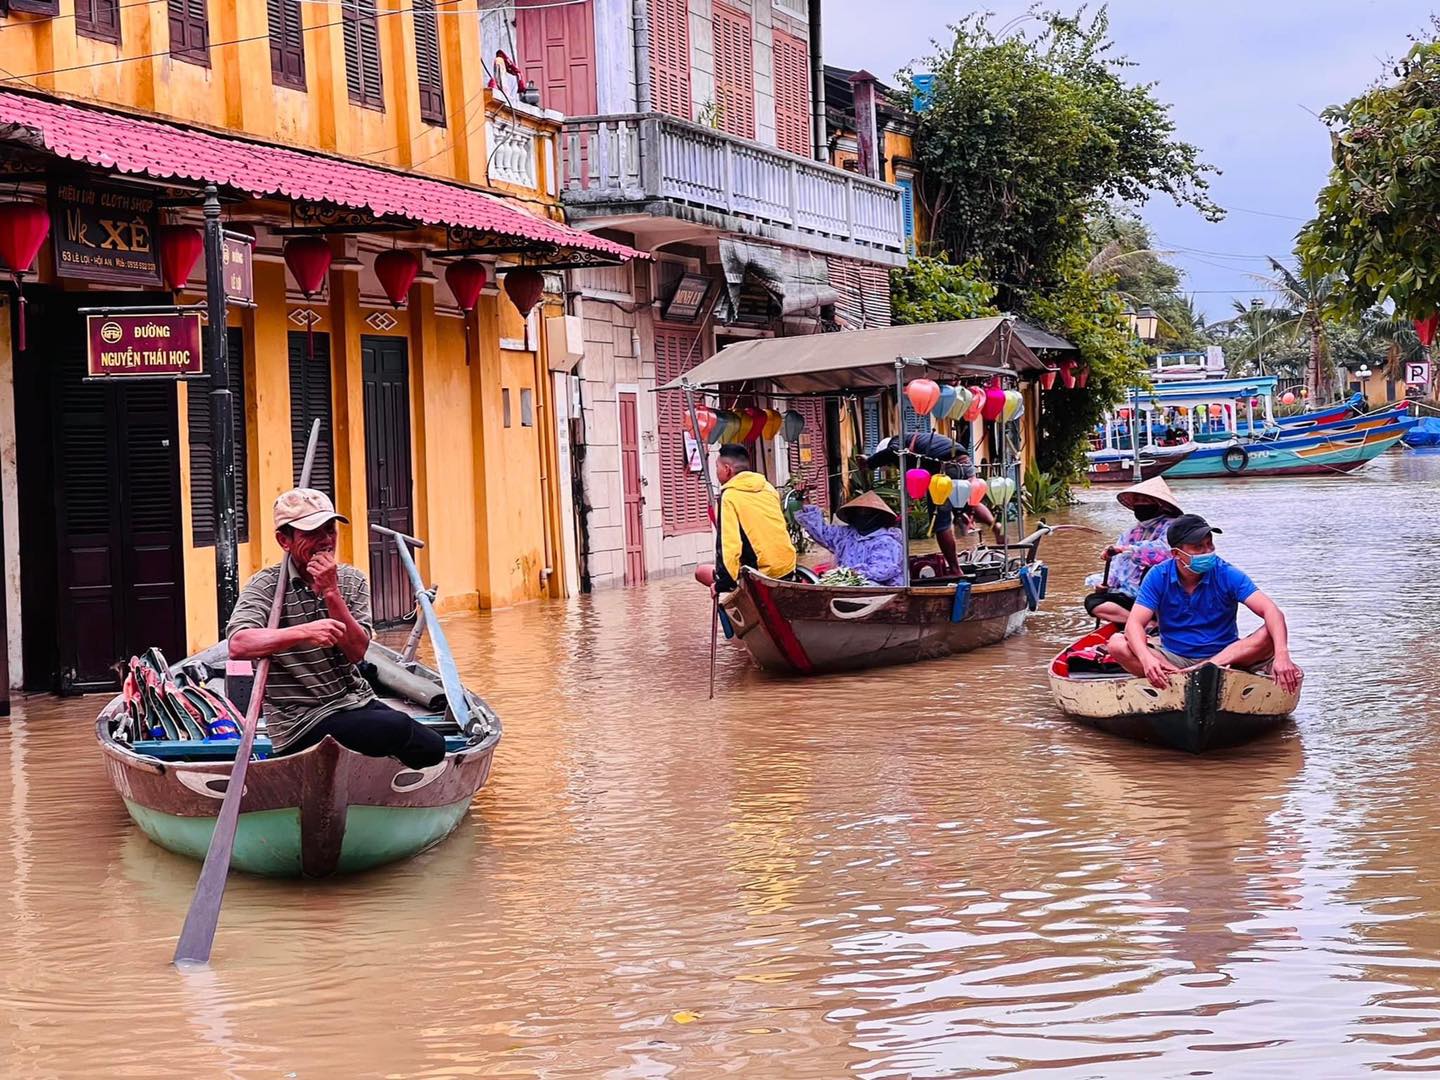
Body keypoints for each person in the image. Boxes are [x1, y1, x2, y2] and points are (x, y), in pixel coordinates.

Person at [227, 488, 447, 769]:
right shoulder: (267, 586)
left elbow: (358, 652)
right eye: (312, 533)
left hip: (355, 702)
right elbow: (238, 645)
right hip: (302, 721)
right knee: (397, 728)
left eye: (330, 531)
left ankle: (370, 766)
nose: (325, 541)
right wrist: (303, 632)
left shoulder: (351, 580)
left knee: (433, 747)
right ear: (284, 540)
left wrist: (331, 592)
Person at [1106, 514, 1303, 694]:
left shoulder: (1226, 573)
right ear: (1175, 554)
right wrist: (1146, 658)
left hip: (1227, 656)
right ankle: (1180, 675)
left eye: (1210, 545)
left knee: (1271, 632)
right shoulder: (1158, 576)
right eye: (1198, 547)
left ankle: (1197, 672)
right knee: (1117, 643)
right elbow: (1134, 624)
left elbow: (1271, 611)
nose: (1207, 551)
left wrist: (1282, 655)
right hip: (1174, 657)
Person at [862, 432, 1001, 574]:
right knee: (970, 500)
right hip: (964, 461)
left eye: (890, 463)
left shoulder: (896, 443)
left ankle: (955, 569)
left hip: (944, 468)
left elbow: (890, 452)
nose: (893, 466)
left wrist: (869, 463)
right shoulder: (918, 440)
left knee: (941, 523)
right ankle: (995, 526)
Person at [1084, 476, 1184, 625]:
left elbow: (1163, 552)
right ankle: (1144, 623)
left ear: (1159, 504)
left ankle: (1142, 621)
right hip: (1132, 595)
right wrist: (1105, 584)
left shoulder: (1174, 526)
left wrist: (1127, 550)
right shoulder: (1132, 532)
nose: (1140, 504)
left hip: (1160, 596)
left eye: (1145, 501)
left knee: (1152, 571)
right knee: (1093, 602)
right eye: (1137, 500)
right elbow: (1118, 567)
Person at [710, 443, 797, 591]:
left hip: (760, 574)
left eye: (717, 467)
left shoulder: (729, 496)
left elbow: (729, 545)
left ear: (727, 469)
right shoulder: (768, 487)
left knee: (702, 573)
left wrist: (723, 584)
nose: (716, 472)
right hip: (787, 566)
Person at [795, 491, 905, 586]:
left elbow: (884, 569)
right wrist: (805, 501)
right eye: (858, 513)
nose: (861, 516)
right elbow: (820, 532)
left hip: (879, 590)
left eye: (866, 513)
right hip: (846, 585)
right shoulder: (845, 535)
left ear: (877, 516)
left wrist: (852, 573)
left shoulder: (887, 542)